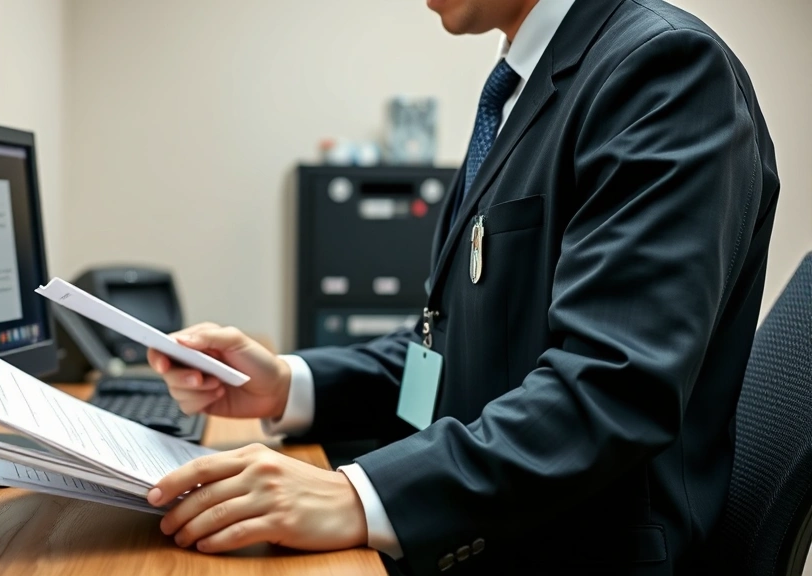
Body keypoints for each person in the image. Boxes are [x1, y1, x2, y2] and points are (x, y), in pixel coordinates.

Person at [146, 0, 780, 573]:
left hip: (574, 551)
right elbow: (445, 347)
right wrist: (289, 384)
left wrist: (360, 495)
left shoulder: (662, 71)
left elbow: (609, 390)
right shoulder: (519, 89)